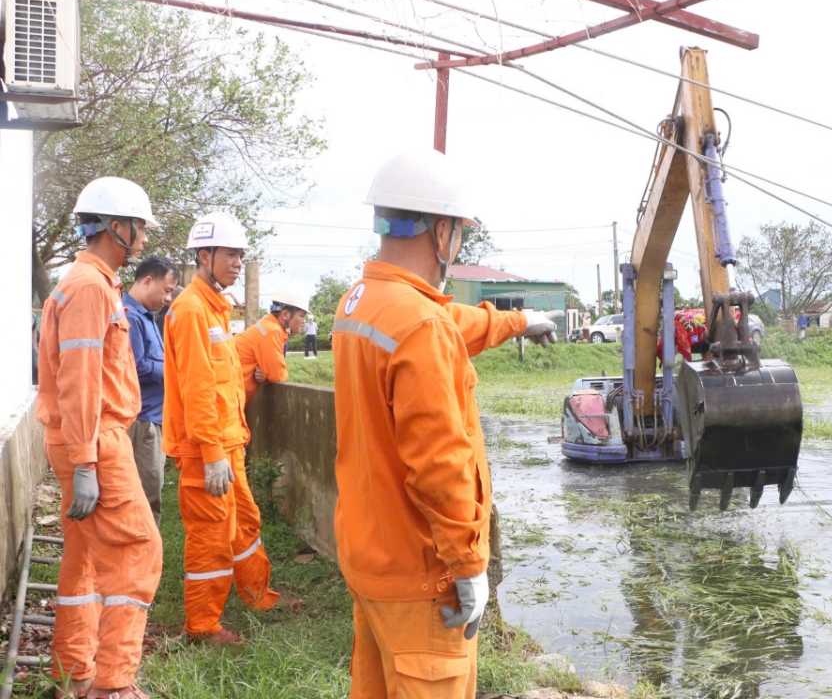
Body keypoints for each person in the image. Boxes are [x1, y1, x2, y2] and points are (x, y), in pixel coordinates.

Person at [332, 152, 559, 698]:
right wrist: (467, 564)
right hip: (422, 576)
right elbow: (440, 464)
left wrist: (519, 321)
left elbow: (452, 322)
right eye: (458, 232)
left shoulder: (363, 303)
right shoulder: (419, 324)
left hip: (371, 557)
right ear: (442, 232)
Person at [37, 177, 162, 699]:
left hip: (79, 438)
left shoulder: (86, 282)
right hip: (95, 439)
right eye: (140, 229)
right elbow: (81, 378)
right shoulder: (91, 287)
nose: (144, 240)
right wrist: (88, 462)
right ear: (117, 227)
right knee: (138, 552)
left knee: (84, 557)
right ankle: (113, 685)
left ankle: (73, 672)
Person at [162, 211, 300, 646]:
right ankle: (202, 626)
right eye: (230, 254)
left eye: (242, 254)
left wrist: (226, 446)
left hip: (229, 442)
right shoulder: (190, 311)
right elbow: (198, 390)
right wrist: (211, 452)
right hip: (208, 450)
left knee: (244, 523)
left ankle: (257, 593)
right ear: (204, 255)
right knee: (210, 537)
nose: (238, 262)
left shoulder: (215, 307)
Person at [122, 255, 179, 527]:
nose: (167, 298)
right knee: (146, 499)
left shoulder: (147, 316)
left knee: (150, 494)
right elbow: (136, 367)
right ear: (147, 281)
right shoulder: (130, 316)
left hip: (153, 420)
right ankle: (143, 561)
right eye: (166, 290)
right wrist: (175, 371)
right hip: (142, 422)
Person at [235, 285, 309, 404]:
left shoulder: (267, 326)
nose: (304, 320)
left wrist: (267, 373)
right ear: (285, 315)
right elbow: (278, 375)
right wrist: (269, 373)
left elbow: (272, 373)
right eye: (301, 315)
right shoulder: (272, 331)